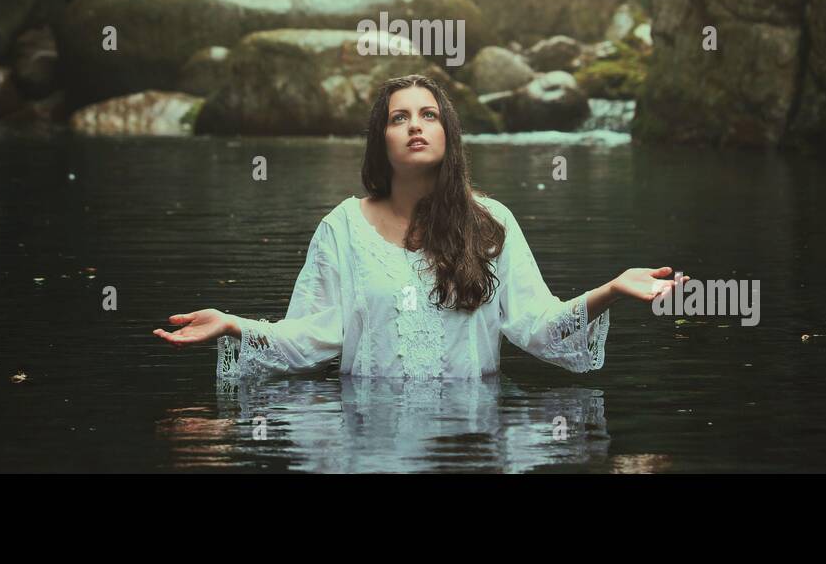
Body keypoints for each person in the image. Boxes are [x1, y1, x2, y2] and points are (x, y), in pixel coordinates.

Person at [153, 73, 685, 380]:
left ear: (449, 134)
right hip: (367, 444)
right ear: (380, 140)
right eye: (398, 117)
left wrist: (611, 291)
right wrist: (234, 324)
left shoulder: (492, 223)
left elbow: (539, 327)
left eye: (428, 115)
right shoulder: (342, 228)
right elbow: (312, 336)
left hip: (471, 443)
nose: (414, 126)